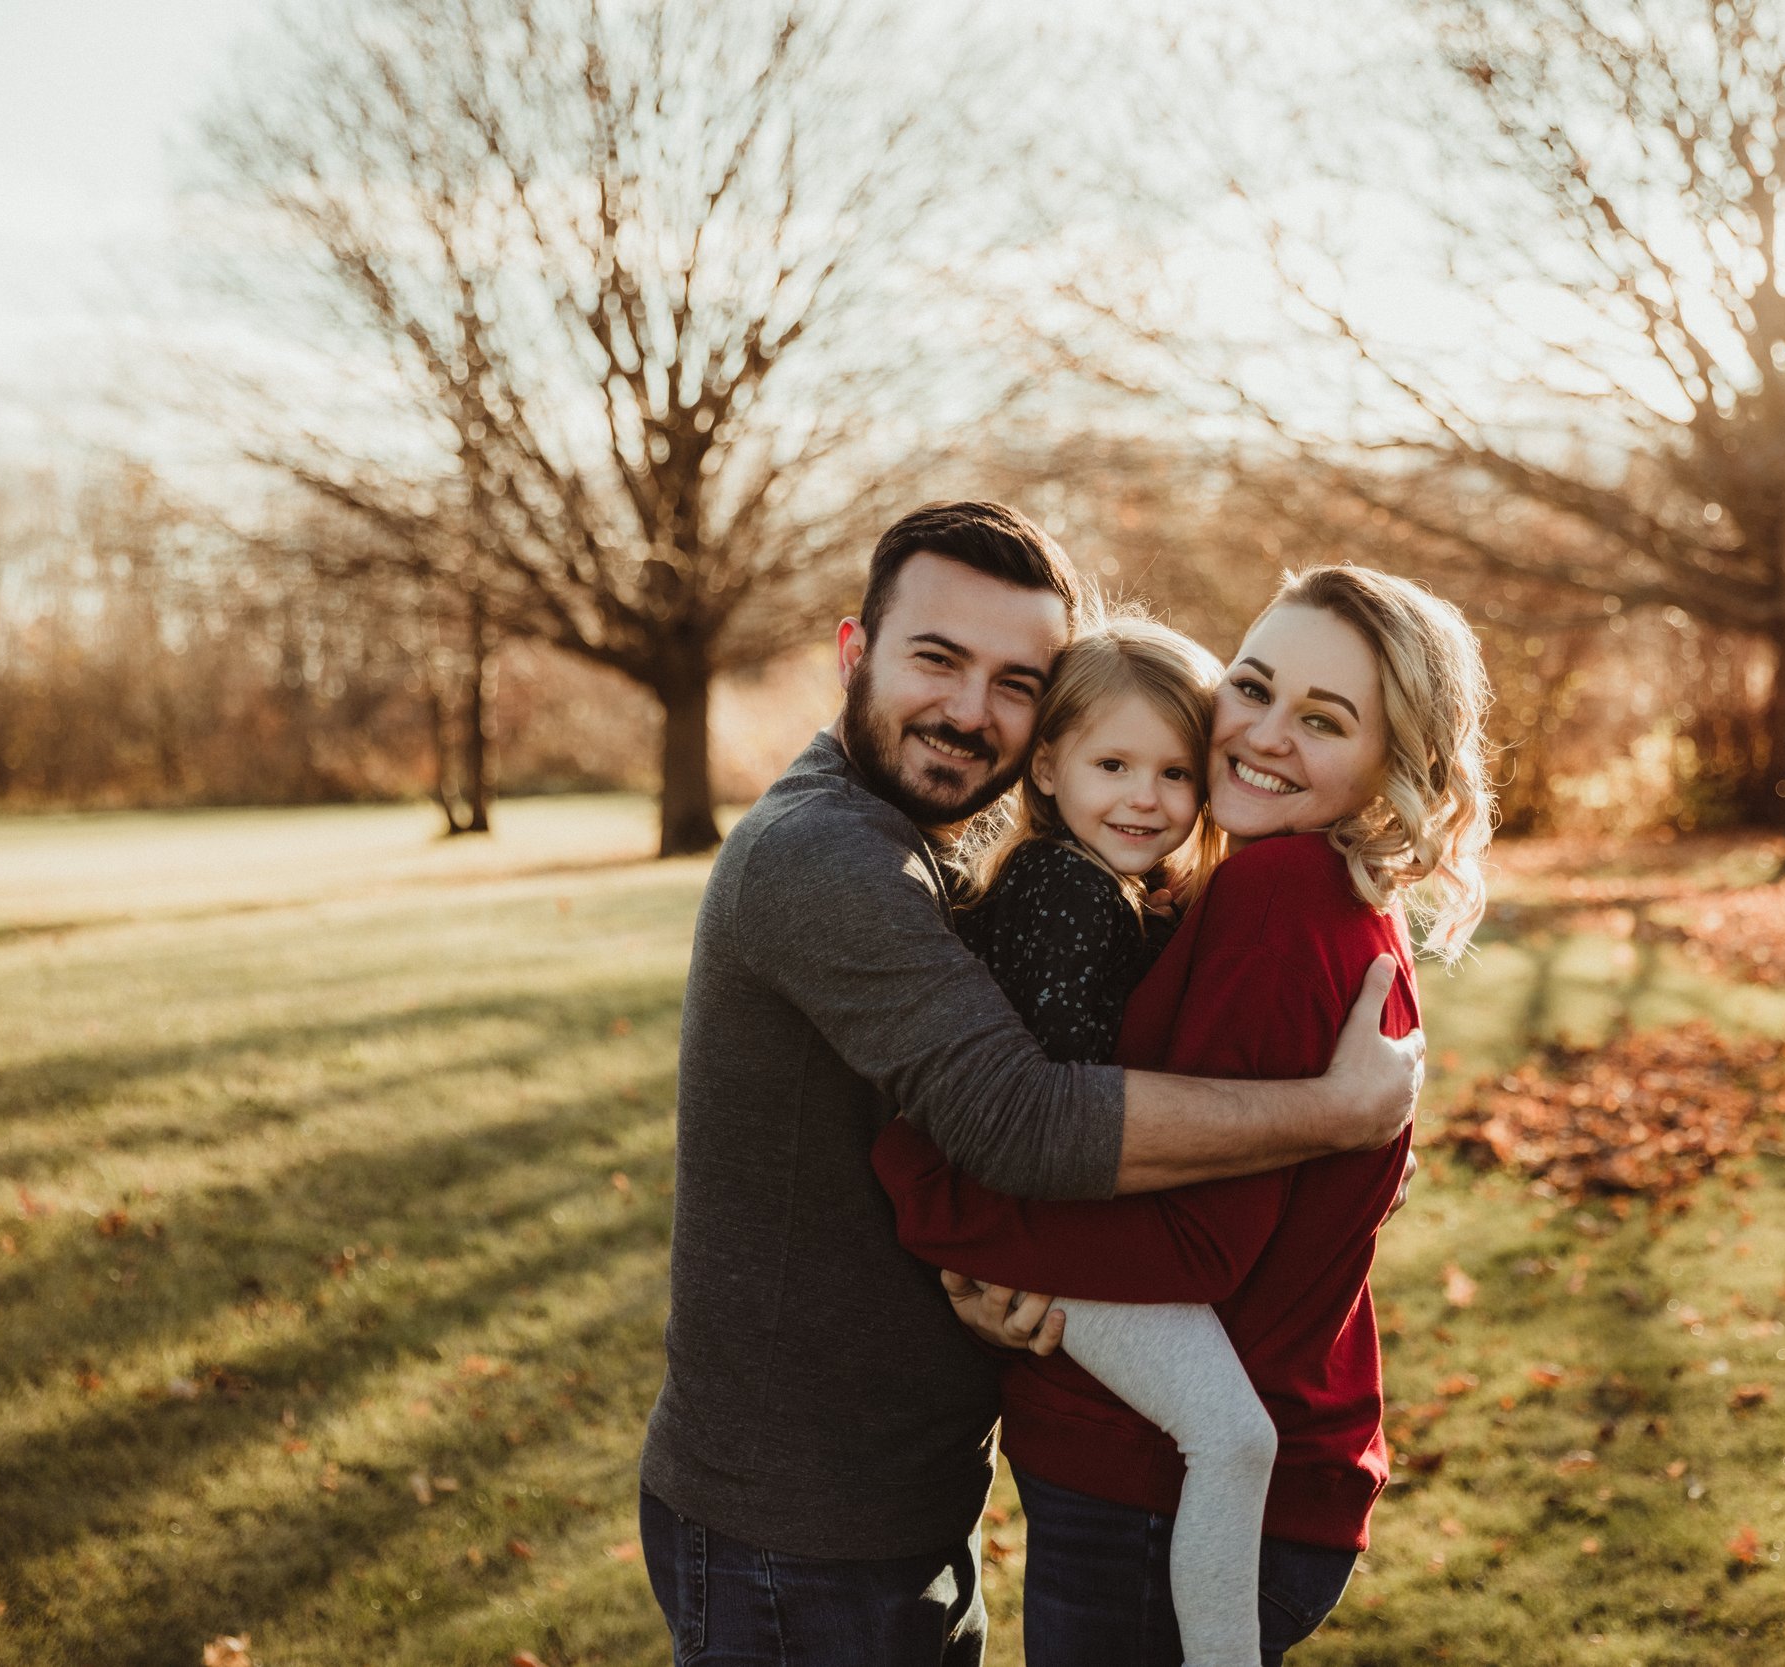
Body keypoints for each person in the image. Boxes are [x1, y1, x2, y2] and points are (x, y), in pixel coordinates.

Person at [638, 504, 1427, 1667]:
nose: (971, 710)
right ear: (854, 654)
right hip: (795, 1520)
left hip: (903, 1491)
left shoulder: (959, 832)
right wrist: (1337, 1114)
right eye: (936, 659)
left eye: (1017, 680)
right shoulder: (823, 856)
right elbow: (1026, 1119)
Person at [873, 565, 1495, 1665]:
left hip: (1154, 1487)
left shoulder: (1280, 898)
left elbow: (1198, 1240)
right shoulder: (1294, 890)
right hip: (1223, 1456)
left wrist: (946, 1216)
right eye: (1252, 688)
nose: (1262, 734)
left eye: (1324, 717)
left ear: (1392, 761)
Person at [900, 616, 1282, 1667]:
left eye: (1173, 771)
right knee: (1234, 1436)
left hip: (1043, 1219)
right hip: (1042, 1225)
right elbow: (1069, 1120)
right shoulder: (1063, 893)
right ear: (1050, 763)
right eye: (1114, 763)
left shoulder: (1104, 886)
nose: (1146, 797)